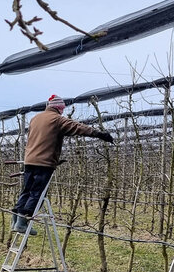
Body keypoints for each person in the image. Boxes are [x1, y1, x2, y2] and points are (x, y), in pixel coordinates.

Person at [11, 94, 114, 233]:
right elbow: (77, 127)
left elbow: (38, 140)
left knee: (26, 190)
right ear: (59, 108)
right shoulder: (57, 119)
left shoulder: (35, 119)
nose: (63, 112)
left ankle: (15, 220)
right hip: (44, 164)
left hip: (29, 160)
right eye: (62, 109)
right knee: (37, 192)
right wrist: (99, 134)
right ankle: (22, 222)